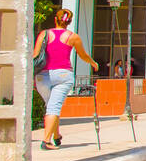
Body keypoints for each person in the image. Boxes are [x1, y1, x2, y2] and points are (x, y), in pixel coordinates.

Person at [33, 8, 98, 150]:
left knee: (51, 106)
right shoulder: (73, 37)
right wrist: (93, 63)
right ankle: (46, 141)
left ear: (55, 19)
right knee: (53, 107)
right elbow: (83, 55)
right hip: (63, 75)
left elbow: (35, 55)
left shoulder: (44, 34)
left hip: (42, 76)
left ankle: (56, 136)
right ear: (69, 22)